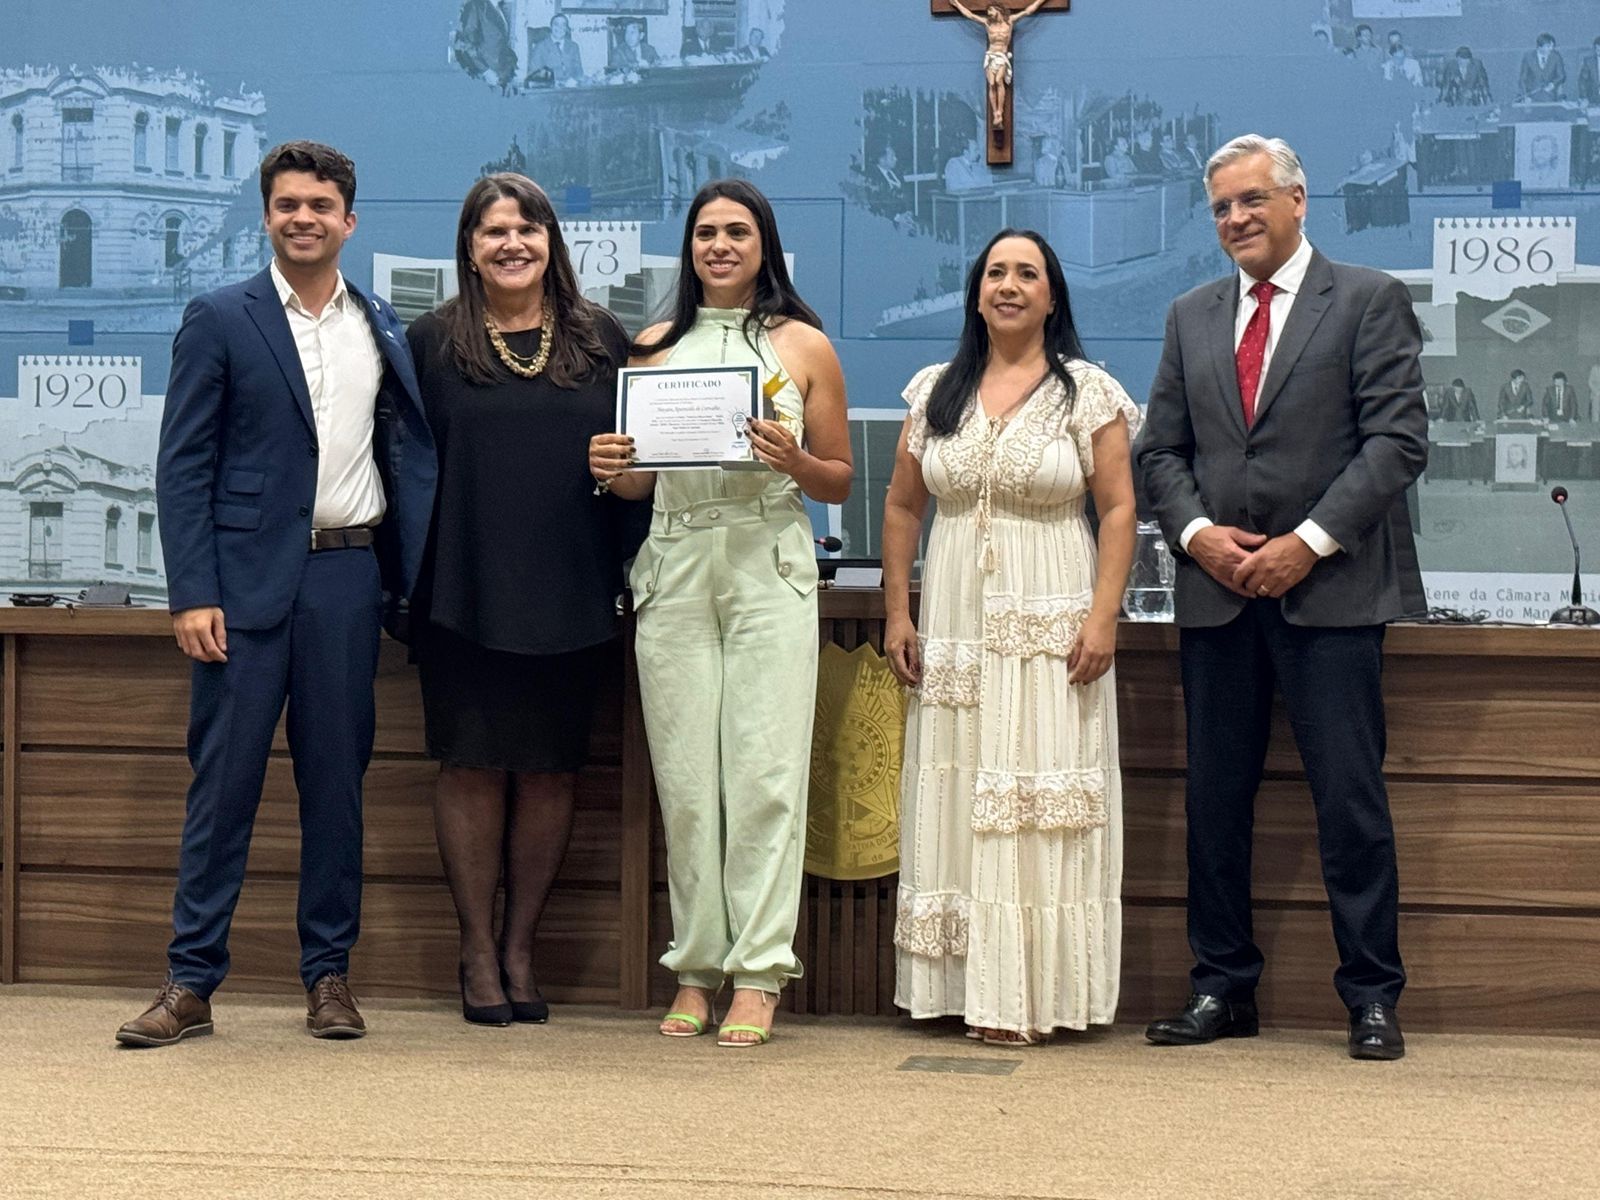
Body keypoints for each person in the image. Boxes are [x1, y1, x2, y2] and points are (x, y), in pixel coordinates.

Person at [115, 141, 437, 1047]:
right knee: (223, 787)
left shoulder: (379, 323)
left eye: (321, 205)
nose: (304, 218)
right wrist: (191, 593)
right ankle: (190, 984)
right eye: (288, 204)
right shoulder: (220, 315)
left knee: (338, 787)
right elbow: (182, 466)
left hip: (346, 579)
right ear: (267, 216)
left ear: (350, 220)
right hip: (239, 591)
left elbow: (404, 452)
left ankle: (328, 978)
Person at [1138, 134, 1427, 1061]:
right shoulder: (1191, 314)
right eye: (1222, 207)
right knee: (1215, 804)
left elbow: (1396, 443)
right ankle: (1222, 989)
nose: (1237, 220)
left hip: (1332, 592)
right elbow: (1159, 453)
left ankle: (1372, 997)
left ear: (1300, 200)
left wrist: (1305, 544)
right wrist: (1197, 537)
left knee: (1350, 801)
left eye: (1253, 201)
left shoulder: (1370, 299)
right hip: (1218, 596)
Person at [587, 180, 852, 1047]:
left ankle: (759, 971)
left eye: (737, 231)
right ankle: (697, 966)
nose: (720, 245)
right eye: (705, 232)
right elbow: (635, 482)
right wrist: (609, 463)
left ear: (764, 244)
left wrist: (794, 459)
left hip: (767, 559)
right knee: (689, 785)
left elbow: (840, 478)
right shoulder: (653, 345)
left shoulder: (803, 345)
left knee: (765, 778)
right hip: (674, 562)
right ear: (689, 247)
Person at [882, 229, 1137, 1045]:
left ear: (1053, 295)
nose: (1010, 285)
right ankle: (960, 988)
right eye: (995, 272)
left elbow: (1121, 509)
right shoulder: (936, 391)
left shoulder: (1086, 392)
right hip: (955, 617)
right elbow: (900, 506)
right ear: (976, 291)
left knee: (1036, 798)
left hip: (1051, 619)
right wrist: (897, 610)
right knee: (960, 790)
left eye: (1028, 273)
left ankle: (1031, 996)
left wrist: (1103, 615)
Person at [407, 174, 637, 1026]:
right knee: (468, 765)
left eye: (529, 228)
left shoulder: (600, 337)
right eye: (494, 230)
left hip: (571, 585)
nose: (513, 243)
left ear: (552, 242)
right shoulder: (430, 342)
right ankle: (474, 947)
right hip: (460, 586)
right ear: (468, 247)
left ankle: (520, 946)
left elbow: (639, 468)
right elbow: (401, 469)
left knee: (550, 771)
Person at [526, 13, 584, 85]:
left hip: (571, 89)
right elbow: (533, 74)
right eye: (556, 24)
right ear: (551, 27)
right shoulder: (540, 47)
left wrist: (575, 80)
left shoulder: (574, 46)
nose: (560, 28)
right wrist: (553, 82)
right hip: (549, 90)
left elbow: (579, 71)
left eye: (563, 25)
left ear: (566, 28)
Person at [1520, 33, 1566, 102]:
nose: (1551, 49)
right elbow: (1523, 79)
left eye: (1552, 46)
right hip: (1531, 96)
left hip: (1550, 96)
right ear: (1539, 47)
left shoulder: (1556, 56)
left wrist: (1553, 84)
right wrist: (1525, 96)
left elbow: (1561, 76)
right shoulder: (1528, 57)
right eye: (1548, 46)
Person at [1580, 37, 1600, 105]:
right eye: (1597, 49)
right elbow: (1582, 81)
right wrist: (1584, 97)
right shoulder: (1589, 62)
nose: (1599, 51)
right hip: (1593, 99)